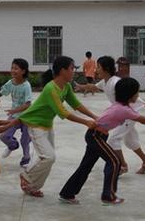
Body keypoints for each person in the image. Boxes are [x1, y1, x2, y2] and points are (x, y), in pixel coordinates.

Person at [59, 77, 145, 205]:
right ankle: (108, 196)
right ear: (130, 95)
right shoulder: (123, 109)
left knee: (86, 165)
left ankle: (67, 193)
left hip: (97, 135)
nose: (138, 95)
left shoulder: (121, 106)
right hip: (96, 136)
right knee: (115, 161)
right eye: (137, 92)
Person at [17, 56, 98, 198]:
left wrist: (94, 117)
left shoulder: (66, 86)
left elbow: (76, 104)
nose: (74, 72)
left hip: (47, 125)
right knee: (48, 157)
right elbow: (63, 112)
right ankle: (26, 175)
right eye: (72, 69)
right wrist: (86, 122)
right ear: (62, 71)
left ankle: (32, 187)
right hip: (35, 125)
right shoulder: (51, 88)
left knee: (47, 158)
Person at [76, 56, 145, 175]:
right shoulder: (105, 81)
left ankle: (122, 165)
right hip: (123, 114)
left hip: (127, 114)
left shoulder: (115, 82)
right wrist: (82, 87)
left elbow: (132, 95)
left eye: (99, 67)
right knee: (130, 140)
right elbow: (94, 86)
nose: (96, 70)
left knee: (113, 139)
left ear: (106, 69)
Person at [0, 58, 33, 167]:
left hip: (27, 117)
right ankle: (12, 145)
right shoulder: (11, 83)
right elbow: (1, 93)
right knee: (4, 136)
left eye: (16, 68)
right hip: (14, 117)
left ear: (23, 71)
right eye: (12, 68)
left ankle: (26, 159)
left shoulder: (26, 86)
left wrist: (15, 110)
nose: (13, 70)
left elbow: (28, 104)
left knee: (25, 140)